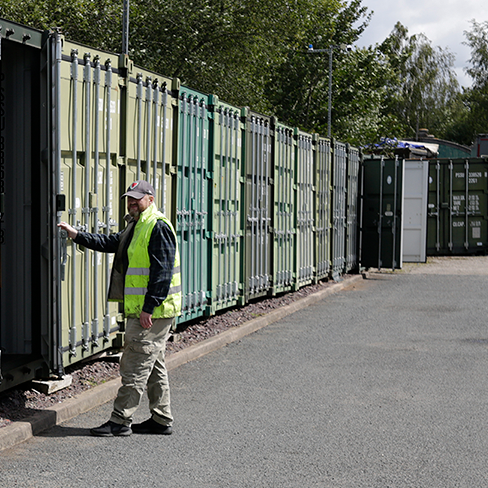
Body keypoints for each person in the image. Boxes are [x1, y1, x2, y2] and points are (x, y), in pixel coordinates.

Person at [58, 180, 181, 437]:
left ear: (150, 198)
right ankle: (161, 418)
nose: (132, 202)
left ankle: (120, 421)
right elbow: (111, 242)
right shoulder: (136, 225)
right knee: (153, 364)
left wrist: (149, 307)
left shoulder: (157, 226)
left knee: (134, 366)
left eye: (137, 198)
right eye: (129, 198)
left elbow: (163, 272)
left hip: (153, 313)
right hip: (147, 311)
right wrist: (77, 235)